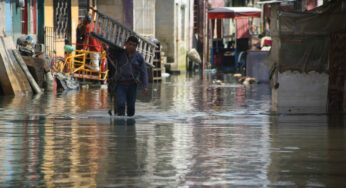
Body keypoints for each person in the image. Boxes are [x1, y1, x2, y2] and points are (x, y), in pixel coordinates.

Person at [107, 36, 148, 116]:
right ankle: (120, 124)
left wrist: (145, 86)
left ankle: (130, 125)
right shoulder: (120, 53)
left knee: (131, 108)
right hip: (120, 84)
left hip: (132, 85)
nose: (131, 46)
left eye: (134, 45)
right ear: (126, 44)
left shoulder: (139, 57)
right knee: (121, 104)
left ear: (136, 47)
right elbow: (111, 50)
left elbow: (144, 71)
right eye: (130, 44)